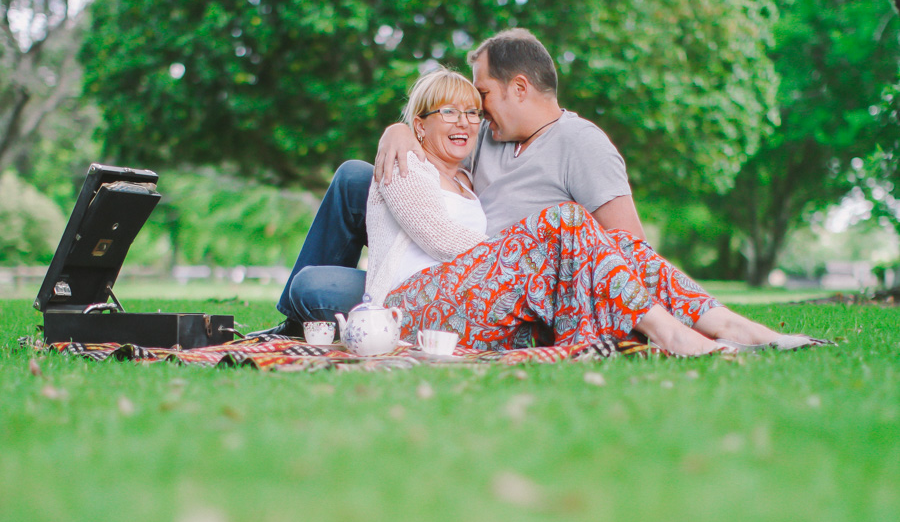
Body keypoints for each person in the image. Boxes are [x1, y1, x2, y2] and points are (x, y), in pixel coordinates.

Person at [251, 29, 825, 352]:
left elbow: (627, 246)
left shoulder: (581, 143)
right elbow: (429, 145)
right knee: (356, 176)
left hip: (520, 285)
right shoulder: (487, 138)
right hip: (456, 284)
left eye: (481, 100)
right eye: (465, 109)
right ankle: (297, 322)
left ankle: (726, 324)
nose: (473, 116)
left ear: (519, 88)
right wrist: (399, 126)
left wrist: (554, 267)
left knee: (575, 226)